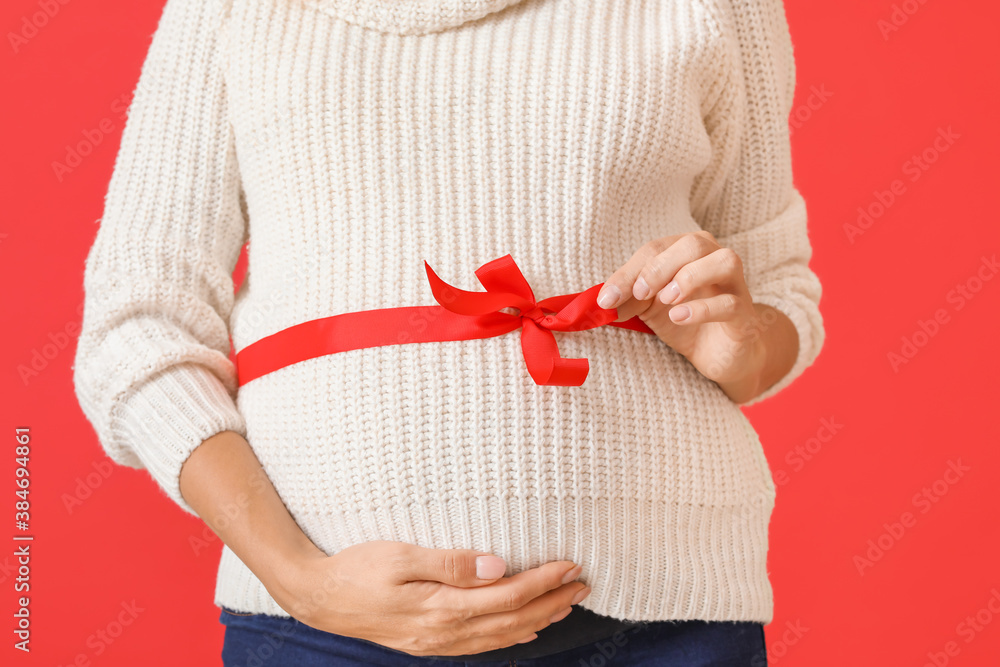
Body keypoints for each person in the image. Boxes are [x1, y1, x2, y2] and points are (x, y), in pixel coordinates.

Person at [72, 0, 825, 664]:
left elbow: (778, 287)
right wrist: (299, 577)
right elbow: (139, 322)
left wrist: (739, 341)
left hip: (666, 621)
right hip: (323, 631)